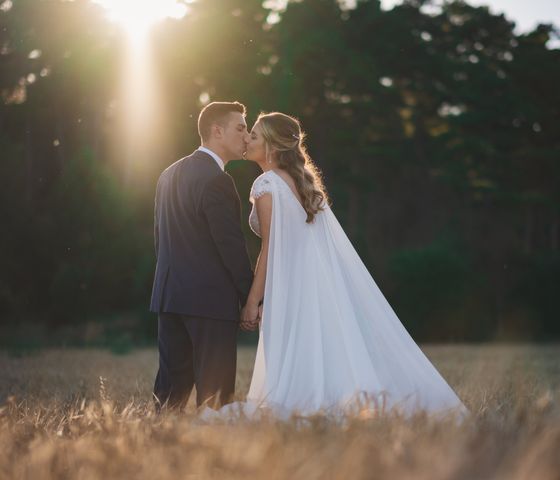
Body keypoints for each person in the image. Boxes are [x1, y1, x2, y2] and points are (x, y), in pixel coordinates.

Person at [200, 112, 468, 421]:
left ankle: (304, 405)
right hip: (315, 286)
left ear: (272, 147)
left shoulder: (266, 184)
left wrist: (251, 302)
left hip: (289, 288)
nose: (247, 139)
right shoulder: (302, 184)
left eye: (255, 136)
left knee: (293, 357)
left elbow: (270, 249)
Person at [150, 101, 256, 412]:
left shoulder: (167, 175)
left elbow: (160, 239)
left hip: (170, 298)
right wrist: (251, 298)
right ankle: (213, 457)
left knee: (168, 397)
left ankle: (158, 450)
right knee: (216, 399)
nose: (246, 137)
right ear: (216, 131)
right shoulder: (217, 180)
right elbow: (231, 246)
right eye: (240, 128)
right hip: (210, 302)